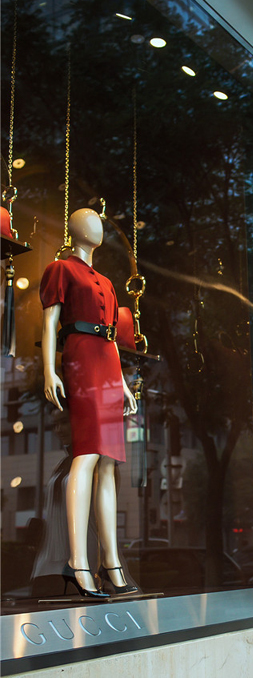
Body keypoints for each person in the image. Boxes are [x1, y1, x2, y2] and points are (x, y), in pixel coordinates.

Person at [40, 208, 138, 598]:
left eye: (99, 218)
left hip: (107, 363)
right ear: (75, 228)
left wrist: (124, 384)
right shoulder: (60, 269)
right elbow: (50, 322)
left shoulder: (108, 282)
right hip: (80, 357)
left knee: (109, 462)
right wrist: (48, 370)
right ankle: (77, 560)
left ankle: (110, 562)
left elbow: (112, 336)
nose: (97, 223)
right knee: (87, 454)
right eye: (90, 218)